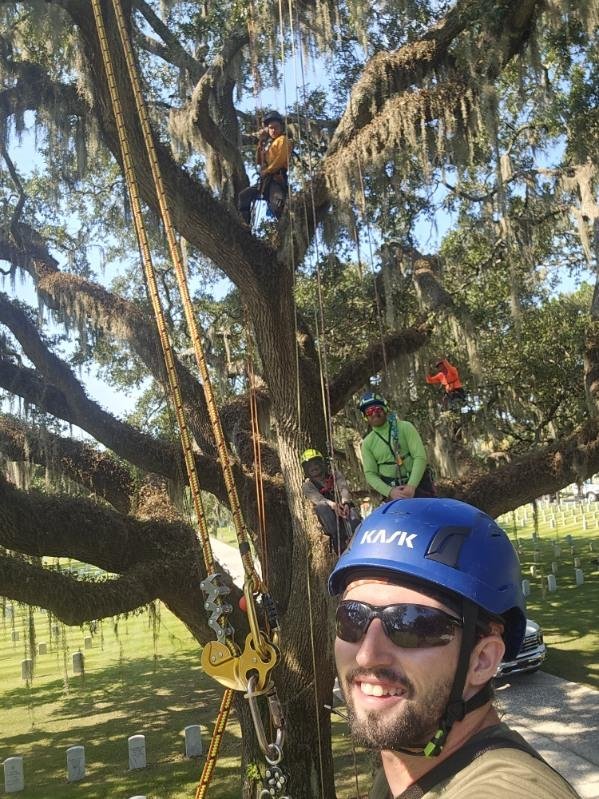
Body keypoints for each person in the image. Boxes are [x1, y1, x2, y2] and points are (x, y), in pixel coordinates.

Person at [329, 498, 580, 799]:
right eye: (352, 618)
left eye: (411, 624)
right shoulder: (405, 774)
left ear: (482, 660)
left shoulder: (512, 790)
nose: (366, 654)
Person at [359, 393, 435, 501]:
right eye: (369, 411)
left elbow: (420, 456)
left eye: (377, 409)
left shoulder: (405, 427)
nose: (374, 413)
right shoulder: (367, 443)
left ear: (385, 409)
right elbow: (370, 474)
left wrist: (411, 486)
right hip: (392, 491)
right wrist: (390, 491)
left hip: (420, 486)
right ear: (365, 417)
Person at [301, 448, 362, 554]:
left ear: (322, 464)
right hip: (329, 516)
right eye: (310, 466)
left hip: (344, 509)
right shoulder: (307, 486)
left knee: (354, 518)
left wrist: (345, 503)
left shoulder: (335, 475)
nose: (314, 467)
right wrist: (333, 505)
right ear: (306, 470)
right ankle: (340, 541)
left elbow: (343, 488)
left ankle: (360, 541)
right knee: (321, 506)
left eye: (316, 464)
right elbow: (318, 499)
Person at [238, 111, 292, 225]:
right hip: (265, 181)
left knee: (277, 204)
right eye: (270, 128)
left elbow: (281, 159)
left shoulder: (283, 139)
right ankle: (245, 226)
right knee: (244, 196)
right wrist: (261, 142)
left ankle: (287, 227)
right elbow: (258, 161)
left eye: (276, 127)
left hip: (276, 179)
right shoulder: (268, 144)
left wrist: (267, 171)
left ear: (281, 127)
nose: (273, 130)